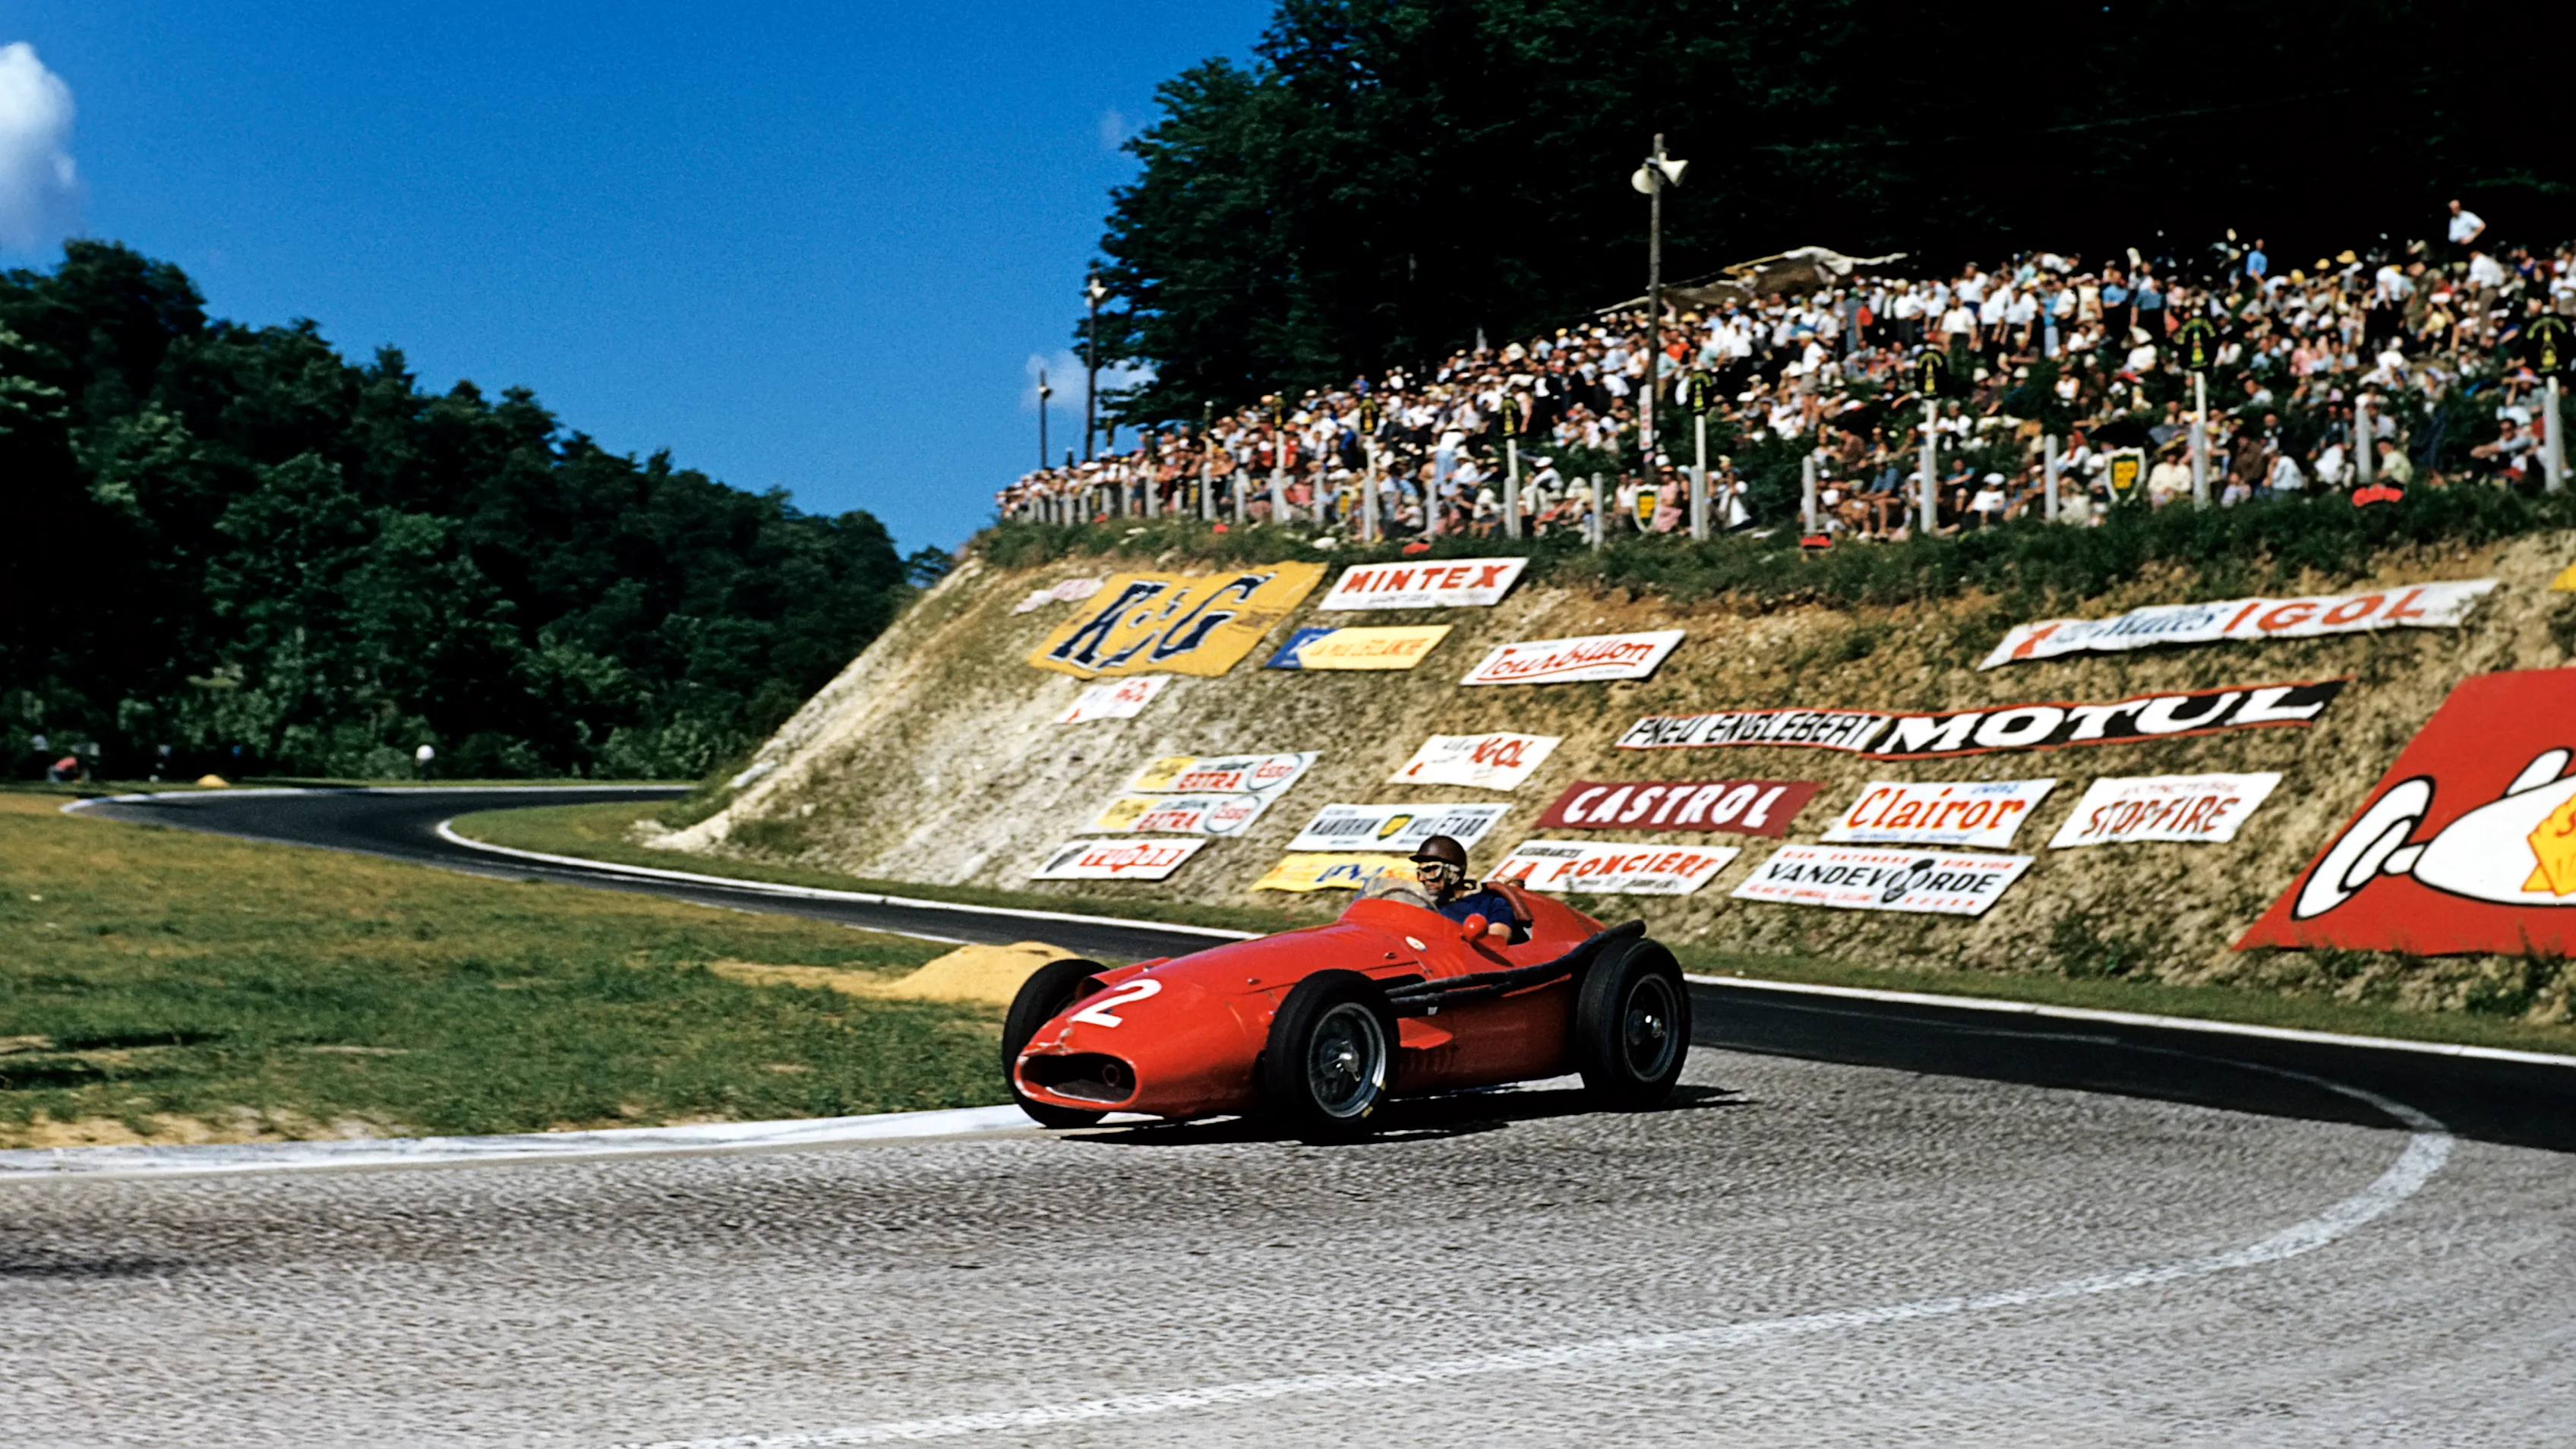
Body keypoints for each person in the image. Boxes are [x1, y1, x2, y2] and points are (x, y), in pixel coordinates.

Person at [1409, 835, 1532, 945]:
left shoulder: (1491, 902)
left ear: (1453, 871)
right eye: (1419, 872)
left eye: (1430, 871)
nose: (1422, 879)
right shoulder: (1430, 910)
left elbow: (1496, 941)